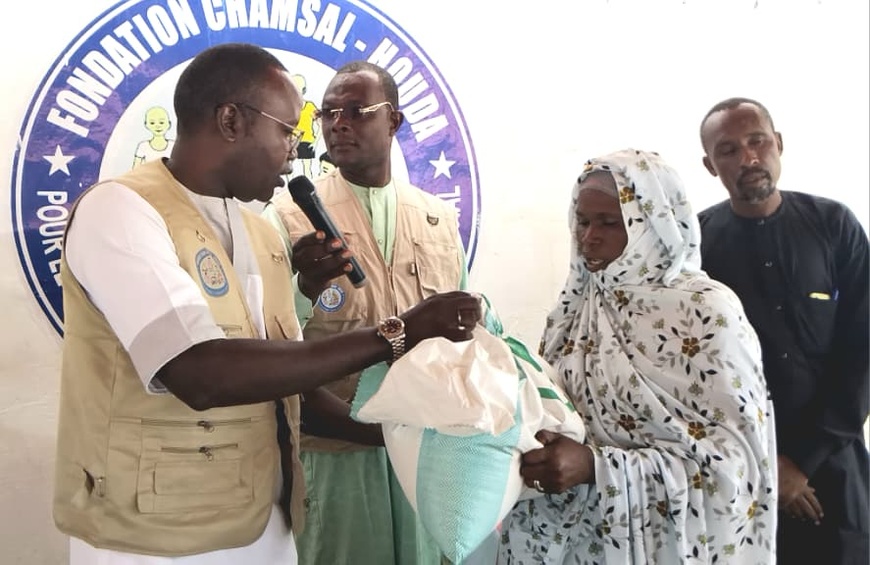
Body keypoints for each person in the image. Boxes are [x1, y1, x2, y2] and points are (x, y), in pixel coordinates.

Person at [53, 42, 481, 565]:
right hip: (152, 538)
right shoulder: (120, 210)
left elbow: (288, 389)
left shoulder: (259, 231)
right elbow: (199, 373)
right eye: (287, 130)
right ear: (231, 120)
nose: (297, 150)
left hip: (265, 525)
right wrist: (393, 335)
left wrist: (395, 439)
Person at [498, 149, 777, 563]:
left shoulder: (705, 313)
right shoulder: (577, 305)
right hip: (570, 542)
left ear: (653, 225)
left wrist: (598, 468)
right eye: (582, 220)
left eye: (610, 223)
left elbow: (734, 469)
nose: (589, 237)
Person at [262, 61, 475, 565]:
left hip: (426, 451)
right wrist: (304, 286)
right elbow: (270, 339)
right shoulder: (286, 219)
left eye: (357, 111)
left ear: (394, 121)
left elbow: (467, 334)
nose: (339, 124)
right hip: (335, 454)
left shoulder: (438, 218)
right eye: (329, 113)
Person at [698, 97, 870, 565]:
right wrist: (768, 465)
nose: (748, 157)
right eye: (728, 149)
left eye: (757, 142)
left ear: (779, 144)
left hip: (834, 462)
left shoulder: (835, 226)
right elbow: (698, 373)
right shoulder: (696, 247)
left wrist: (802, 462)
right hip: (740, 471)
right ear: (710, 165)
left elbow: (860, 353)